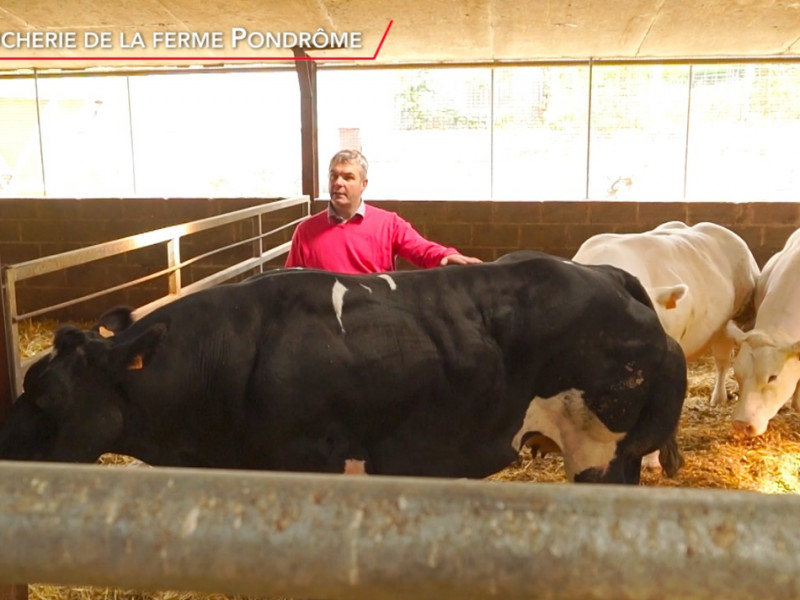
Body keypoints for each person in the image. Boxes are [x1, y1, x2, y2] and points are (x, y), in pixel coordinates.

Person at [285, 149, 482, 273]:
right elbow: (289, 281)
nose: (338, 183)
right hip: (326, 322)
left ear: (364, 184)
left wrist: (444, 256)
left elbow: (421, 249)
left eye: (348, 177)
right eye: (333, 176)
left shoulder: (389, 224)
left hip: (375, 317)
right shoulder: (306, 231)